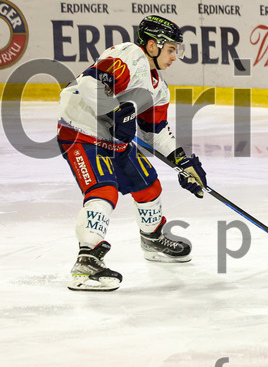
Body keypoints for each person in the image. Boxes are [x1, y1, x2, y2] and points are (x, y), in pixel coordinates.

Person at [57, 15, 208, 291]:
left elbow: (155, 131)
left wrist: (183, 162)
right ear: (152, 46)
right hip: (81, 130)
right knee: (103, 190)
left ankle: (152, 239)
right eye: (172, 49)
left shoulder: (158, 89)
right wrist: (115, 113)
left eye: (178, 50)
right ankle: (87, 261)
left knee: (147, 184)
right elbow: (91, 82)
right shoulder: (130, 56)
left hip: (114, 139)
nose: (175, 56)